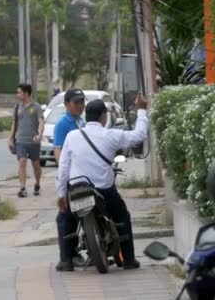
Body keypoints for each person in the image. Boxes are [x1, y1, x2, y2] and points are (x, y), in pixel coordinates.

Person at [56, 96, 149, 271]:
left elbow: (63, 168)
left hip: (77, 189)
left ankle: (66, 261)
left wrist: (61, 195)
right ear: (103, 116)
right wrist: (142, 110)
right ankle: (128, 259)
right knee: (122, 215)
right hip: (105, 192)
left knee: (64, 218)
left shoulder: (72, 136)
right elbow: (139, 136)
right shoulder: (111, 135)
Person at [53, 88, 86, 271]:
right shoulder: (63, 124)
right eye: (76, 102)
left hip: (84, 175)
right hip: (70, 177)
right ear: (66, 104)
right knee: (65, 216)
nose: (80, 105)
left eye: (82, 102)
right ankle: (67, 257)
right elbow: (58, 151)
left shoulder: (81, 121)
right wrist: (64, 174)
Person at [8, 84, 45, 197]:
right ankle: (22, 188)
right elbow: (14, 123)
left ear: (26, 93)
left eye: (19, 92)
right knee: (22, 162)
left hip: (34, 141)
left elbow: (41, 122)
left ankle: (37, 183)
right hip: (20, 141)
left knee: (36, 165)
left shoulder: (36, 106)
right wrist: (10, 138)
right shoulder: (17, 107)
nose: (17, 94)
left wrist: (39, 134)